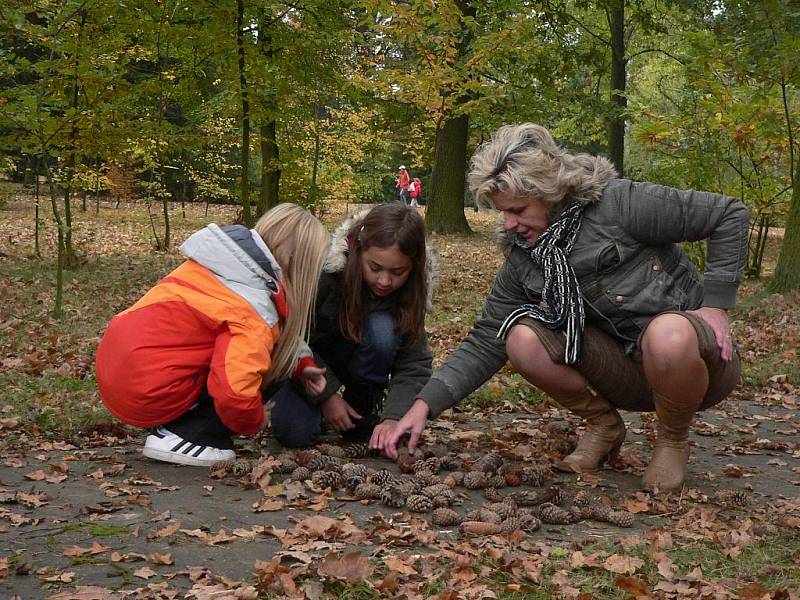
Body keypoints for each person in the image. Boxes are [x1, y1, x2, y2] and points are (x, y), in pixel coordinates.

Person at [377, 123, 748, 493]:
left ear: (547, 192)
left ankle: (671, 440)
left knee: (667, 333)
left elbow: (728, 214)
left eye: (517, 210)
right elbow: (487, 337)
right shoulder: (526, 257)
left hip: (695, 361)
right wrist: (424, 406)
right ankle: (604, 425)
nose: (509, 224)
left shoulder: (620, 204)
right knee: (520, 337)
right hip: (624, 370)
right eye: (502, 212)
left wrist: (716, 305)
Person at [95, 204, 330, 466]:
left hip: (121, 369)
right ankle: (190, 436)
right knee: (254, 369)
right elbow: (235, 392)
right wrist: (255, 420)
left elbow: (275, 336)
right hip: (147, 389)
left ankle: (179, 425)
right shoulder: (252, 307)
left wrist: (300, 366)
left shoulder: (226, 268)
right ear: (301, 268)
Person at [271, 202, 437, 447]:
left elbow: (414, 364)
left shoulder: (410, 294)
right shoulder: (324, 275)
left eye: (398, 272)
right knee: (295, 434)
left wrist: (394, 417)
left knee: (383, 331)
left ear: (413, 268)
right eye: (375, 267)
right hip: (308, 366)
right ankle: (321, 409)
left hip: (362, 365)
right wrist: (327, 396)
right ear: (356, 250)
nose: (384, 281)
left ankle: (362, 410)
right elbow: (289, 337)